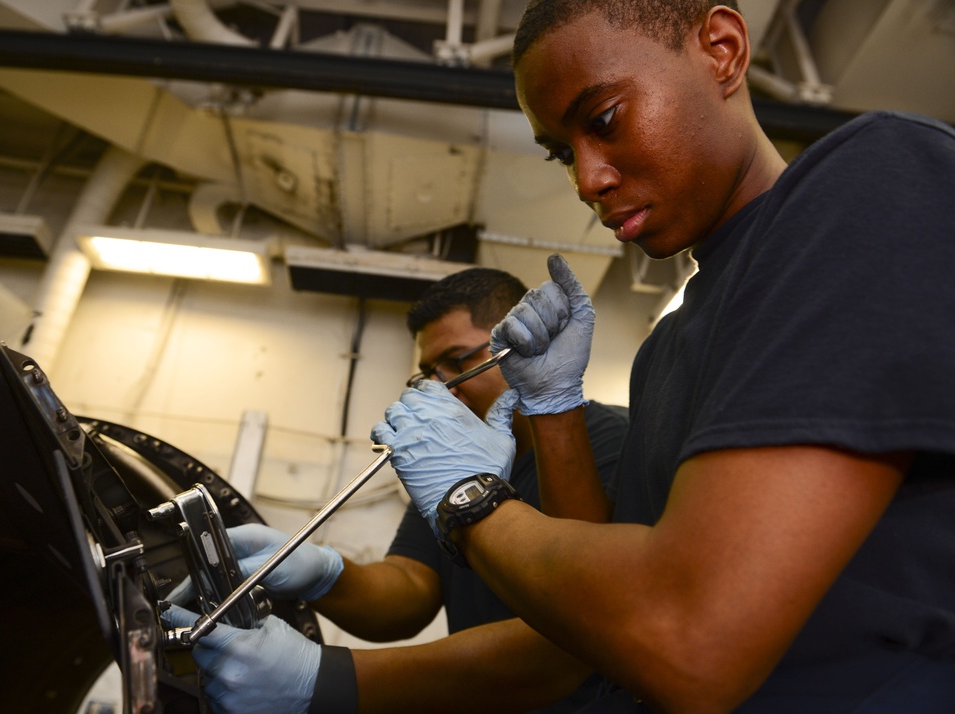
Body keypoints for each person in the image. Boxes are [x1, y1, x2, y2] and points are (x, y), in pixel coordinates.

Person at [371, 1, 955, 713]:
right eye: (562, 152)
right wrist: (554, 412)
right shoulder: (665, 352)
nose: (587, 180)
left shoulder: (869, 182)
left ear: (722, 49)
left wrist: (472, 502)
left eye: (605, 120)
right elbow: (602, 612)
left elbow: (690, 636)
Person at [163, 267, 630, 713]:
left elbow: (577, 626)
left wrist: (324, 679)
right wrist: (325, 574)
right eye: (428, 371)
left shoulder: (612, 441)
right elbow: (409, 589)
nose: (440, 386)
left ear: (516, 346)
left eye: (456, 360)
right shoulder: (455, 462)